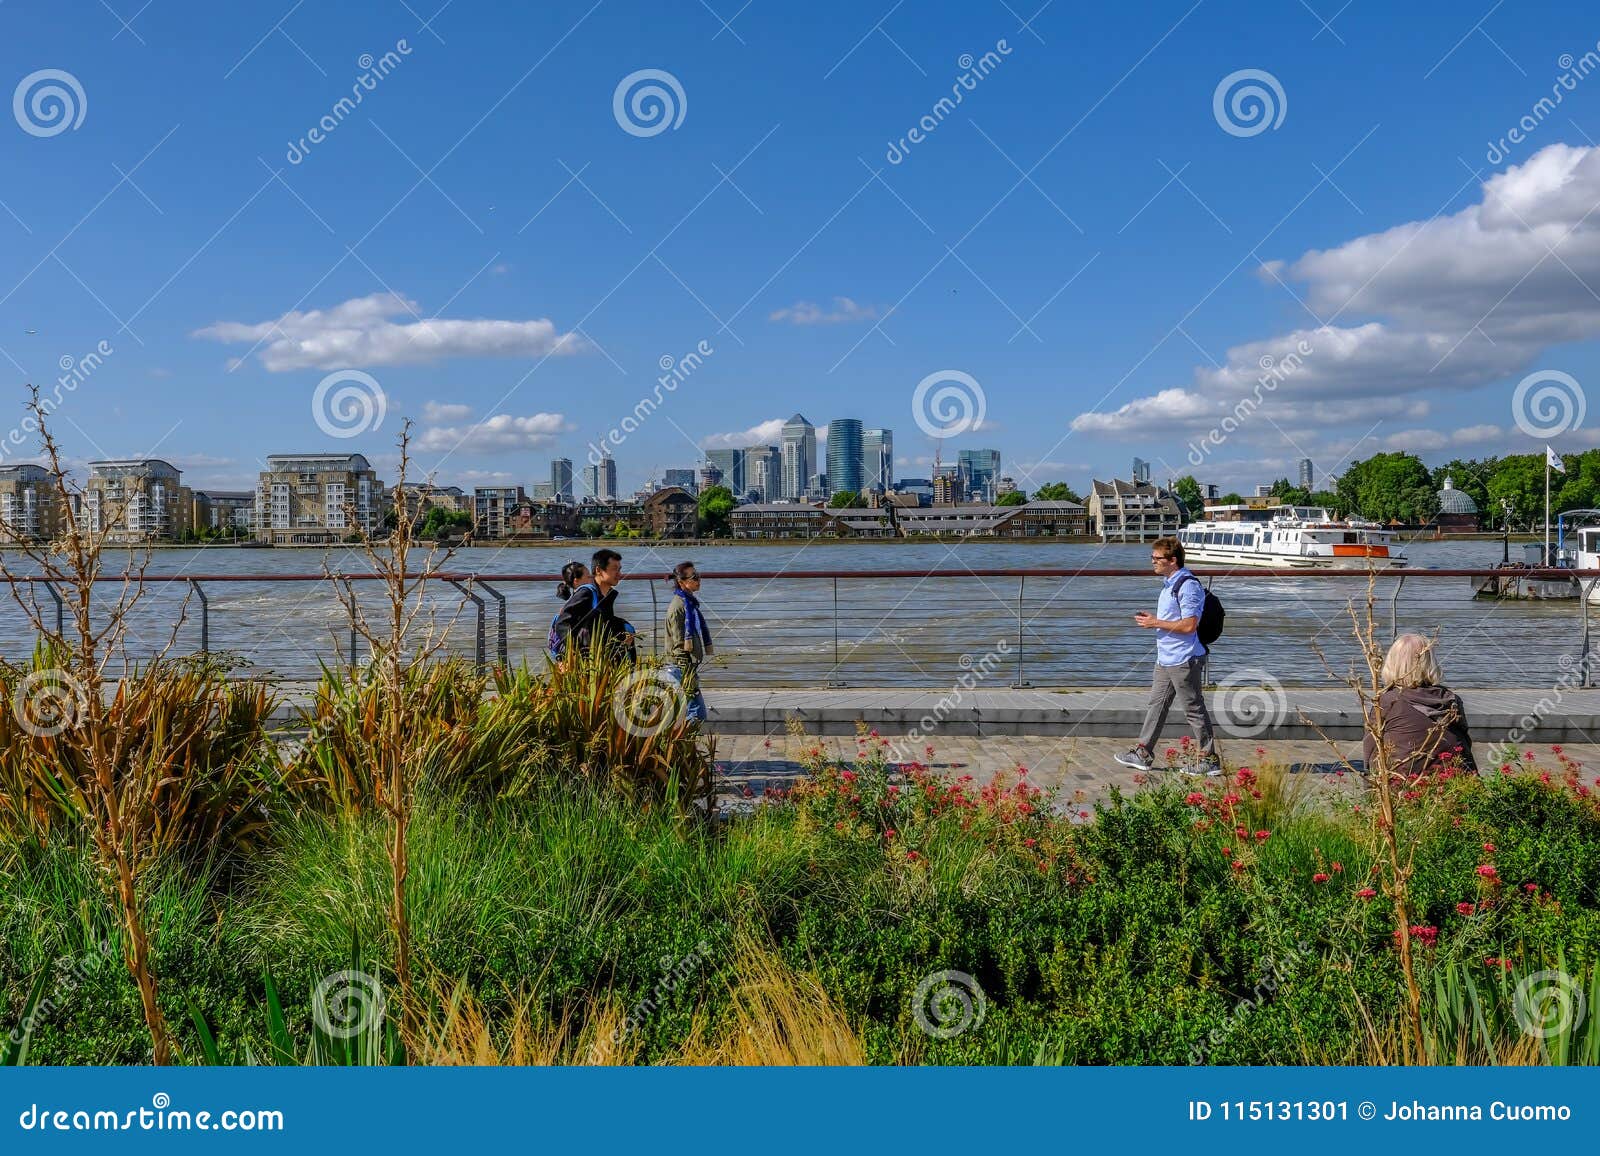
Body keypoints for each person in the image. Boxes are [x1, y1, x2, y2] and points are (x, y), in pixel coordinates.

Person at [1116, 536, 1221, 775]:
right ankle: (1143, 753)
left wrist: (1155, 623)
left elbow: (1188, 626)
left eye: (1157, 558)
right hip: (1166, 657)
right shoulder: (1169, 583)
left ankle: (1210, 759)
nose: (1152, 562)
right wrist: (1155, 620)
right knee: (1157, 704)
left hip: (1184, 658)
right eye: (1151, 557)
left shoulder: (1188, 586)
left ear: (1173, 560)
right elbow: (1175, 620)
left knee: (1193, 708)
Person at [1363, 633, 1476, 776]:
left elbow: (1370, 749)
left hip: (1404, 782)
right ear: (1430, 663)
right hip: (1456, 779)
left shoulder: (1387, 701)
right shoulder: (1450, 699)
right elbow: (1465, 740)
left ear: (1391, 663)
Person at [550, 549, 635, 660]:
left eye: (620, 569)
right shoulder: (587, 593)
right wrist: (573, 653)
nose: (620, 574)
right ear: (599, 570)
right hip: (585, 661)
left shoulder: (608, 595)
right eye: (614, 569)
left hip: (601, 661)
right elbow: (562, 623)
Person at [663, 561, 712, 722]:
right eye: (694, 577)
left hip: (686, 666)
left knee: (690, 714)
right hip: (680, 668)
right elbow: (678, 646)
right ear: (682, 582)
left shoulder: (689, 604)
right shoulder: (678, 607)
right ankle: (679, 744)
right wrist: (688, 675)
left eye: (698, 575)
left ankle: (681, 745)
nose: (699, 579)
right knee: (697, 714)